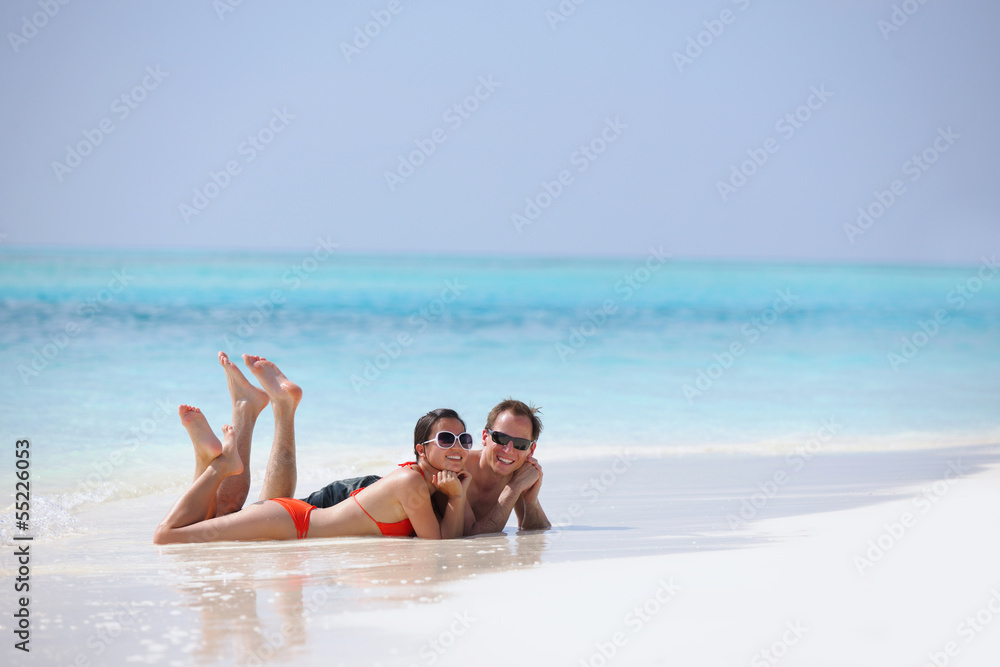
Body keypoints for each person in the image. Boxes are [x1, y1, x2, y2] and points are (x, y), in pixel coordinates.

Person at [153, 363, 474, 544]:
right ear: (421, 449)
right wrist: (457, 498)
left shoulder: (428, 485)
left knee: (210, 522)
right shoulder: (411, 483)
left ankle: (215, 453)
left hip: (291, 521)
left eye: (464, 439)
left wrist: (459, 492)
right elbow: (439, 546)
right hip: (291, 523)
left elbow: (459, 535)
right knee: (166, 537)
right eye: (446, 438)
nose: (457, 445)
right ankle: (218, 466)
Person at [296, 398, 551, 535]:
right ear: (485, 437)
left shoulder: (515, 470)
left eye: (520, 444)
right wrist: (512, 491)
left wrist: (530, 497)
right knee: (278, 509)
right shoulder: (456, 465)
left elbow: (535, 532)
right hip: (361, 498)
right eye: (501, 438)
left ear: (531, 449)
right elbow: (472, 535)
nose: (509, 450)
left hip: (389, 520)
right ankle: (283, 409)